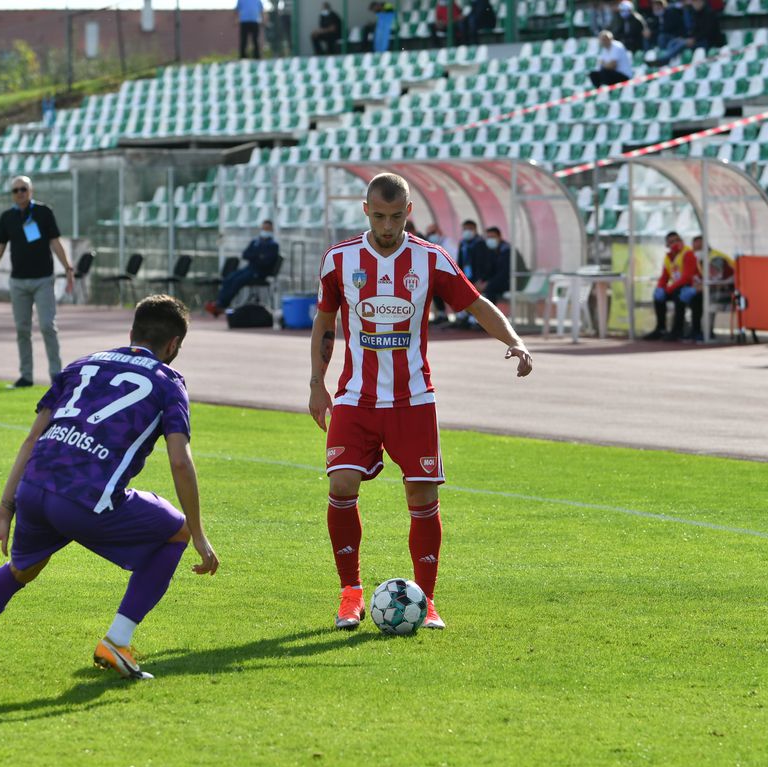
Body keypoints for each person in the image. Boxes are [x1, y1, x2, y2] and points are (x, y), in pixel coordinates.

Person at [0, 295, 219, 680]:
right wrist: (198, 534)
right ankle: (117, 641)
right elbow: (180, 461)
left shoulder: (82, 364)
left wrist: (4, 509)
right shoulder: (168, 382)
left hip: (34, 488)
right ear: (173, 345)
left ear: (131, 332)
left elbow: (31, 439)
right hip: (86, 497)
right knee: (175, 530)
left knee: (21, 570)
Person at [308, 173, 534, 632]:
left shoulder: (430, 259)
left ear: (409, 211)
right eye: (378, 216)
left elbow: (476, 303)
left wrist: (514, 339)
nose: (387, 226)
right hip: (356, 399)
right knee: (341, 486)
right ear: (365, 209)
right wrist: (317, 383)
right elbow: (325, 321)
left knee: (422, 494)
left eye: (395, 216)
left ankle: (426, 599)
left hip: (414, 399)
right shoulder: (340, 259)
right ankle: (350, 594)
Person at [0, 176, 75, 388]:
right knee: (22, 329)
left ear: (31, 190)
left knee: (47, 326)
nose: (19, 193)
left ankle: (56, 375)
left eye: (23, 189)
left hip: (43, 278)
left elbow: (55, 242)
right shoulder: (7, 217)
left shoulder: (44, 213)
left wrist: (68, 267)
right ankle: (26, 376)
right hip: (18, 281)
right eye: (15, 190)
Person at [203, 220, 280, 316]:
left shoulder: (273, 245)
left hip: (260, 272)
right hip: (249, 268)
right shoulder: (255, 242)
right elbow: (245, 254)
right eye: (263, 228)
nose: (265, 231)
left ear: (272, 230)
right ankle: (219, 302)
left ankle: (222, 305)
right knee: (230, 278)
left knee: (238, 281)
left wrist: (255, 256)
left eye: (267, 229)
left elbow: (266, 262)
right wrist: (259, 256)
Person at [645, 231, 700, 341]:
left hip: (691, 287)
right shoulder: (668, 258)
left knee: (677, 295)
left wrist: (668, 289)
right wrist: (660, 288)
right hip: (678, 287)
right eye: (672, 242)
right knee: (658, 297)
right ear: (667, 245)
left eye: (678, 240)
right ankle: (661, 328)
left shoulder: (688, 253)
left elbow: (687, 277)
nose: (675, 243)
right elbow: (664, 276)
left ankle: (677, 330)